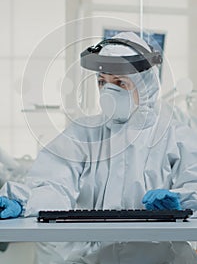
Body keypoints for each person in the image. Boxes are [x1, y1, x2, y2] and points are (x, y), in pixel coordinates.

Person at [1, 31, 197, 264]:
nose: (108, 92)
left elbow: (193, 183)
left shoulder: (175, 135)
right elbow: (55, 184)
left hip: (163, 259)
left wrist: (180, 202)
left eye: (120, 83)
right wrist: (23, 201)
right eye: (102, 82)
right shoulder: (84, 133)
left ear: (145, 86)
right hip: (95, 259)